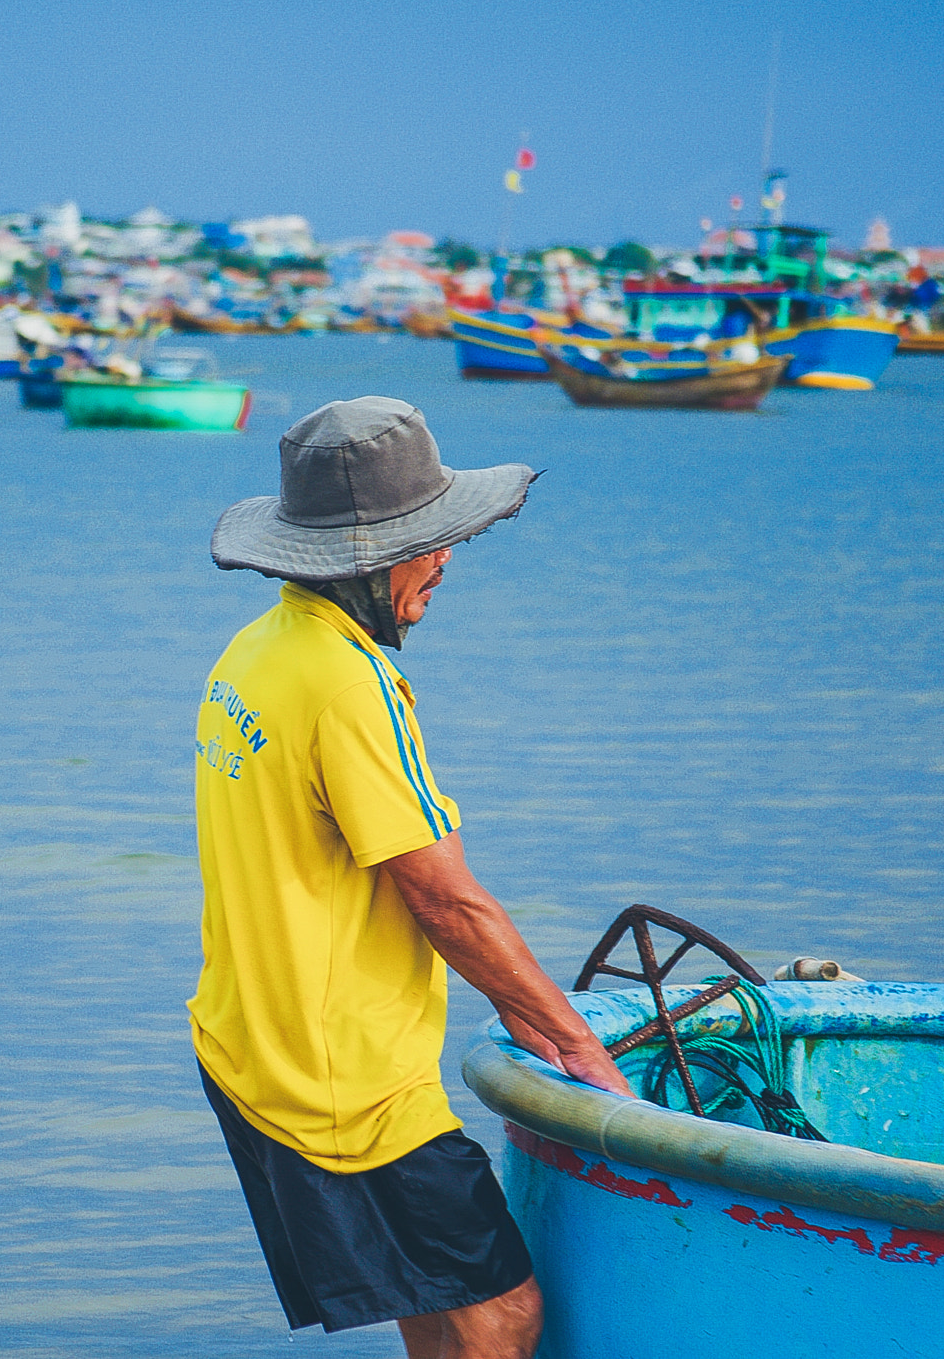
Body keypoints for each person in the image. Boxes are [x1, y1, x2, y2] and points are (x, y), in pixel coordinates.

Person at [190, 397, 633, 1359]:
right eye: (432, 543)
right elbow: (444, 896)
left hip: (249, 1046)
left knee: (433, 1306)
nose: (444, 563)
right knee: (502, 1312)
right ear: (373, 557)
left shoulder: (258, 651)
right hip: (341, 1083)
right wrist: (572, 1041)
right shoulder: (353, 686)